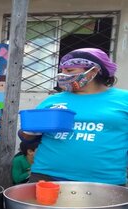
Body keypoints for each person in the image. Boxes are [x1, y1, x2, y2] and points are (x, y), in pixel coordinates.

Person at [19, 48, 128, 185]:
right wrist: (29, 131)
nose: (63, 75)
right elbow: (28, 138)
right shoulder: (52, 101)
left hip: (104, 181)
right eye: (62, 71)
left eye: (70, 71)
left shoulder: (124, 100)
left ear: (93, 72)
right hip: (47, 177)